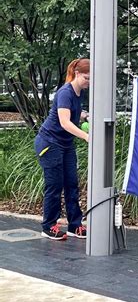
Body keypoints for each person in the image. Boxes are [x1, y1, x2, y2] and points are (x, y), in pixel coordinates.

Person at [34, 58, 90, 240]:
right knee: (55, 185)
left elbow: (72, 113)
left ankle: (75, 226)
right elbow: (65, 122)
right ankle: (48, 225)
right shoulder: (65, 92)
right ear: (78, 74)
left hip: (65, 144)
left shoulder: (78, 92)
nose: (89, 82)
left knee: (72, 184)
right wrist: (87, 137)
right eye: (87, 78)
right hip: (49, 143)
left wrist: (85, 116)